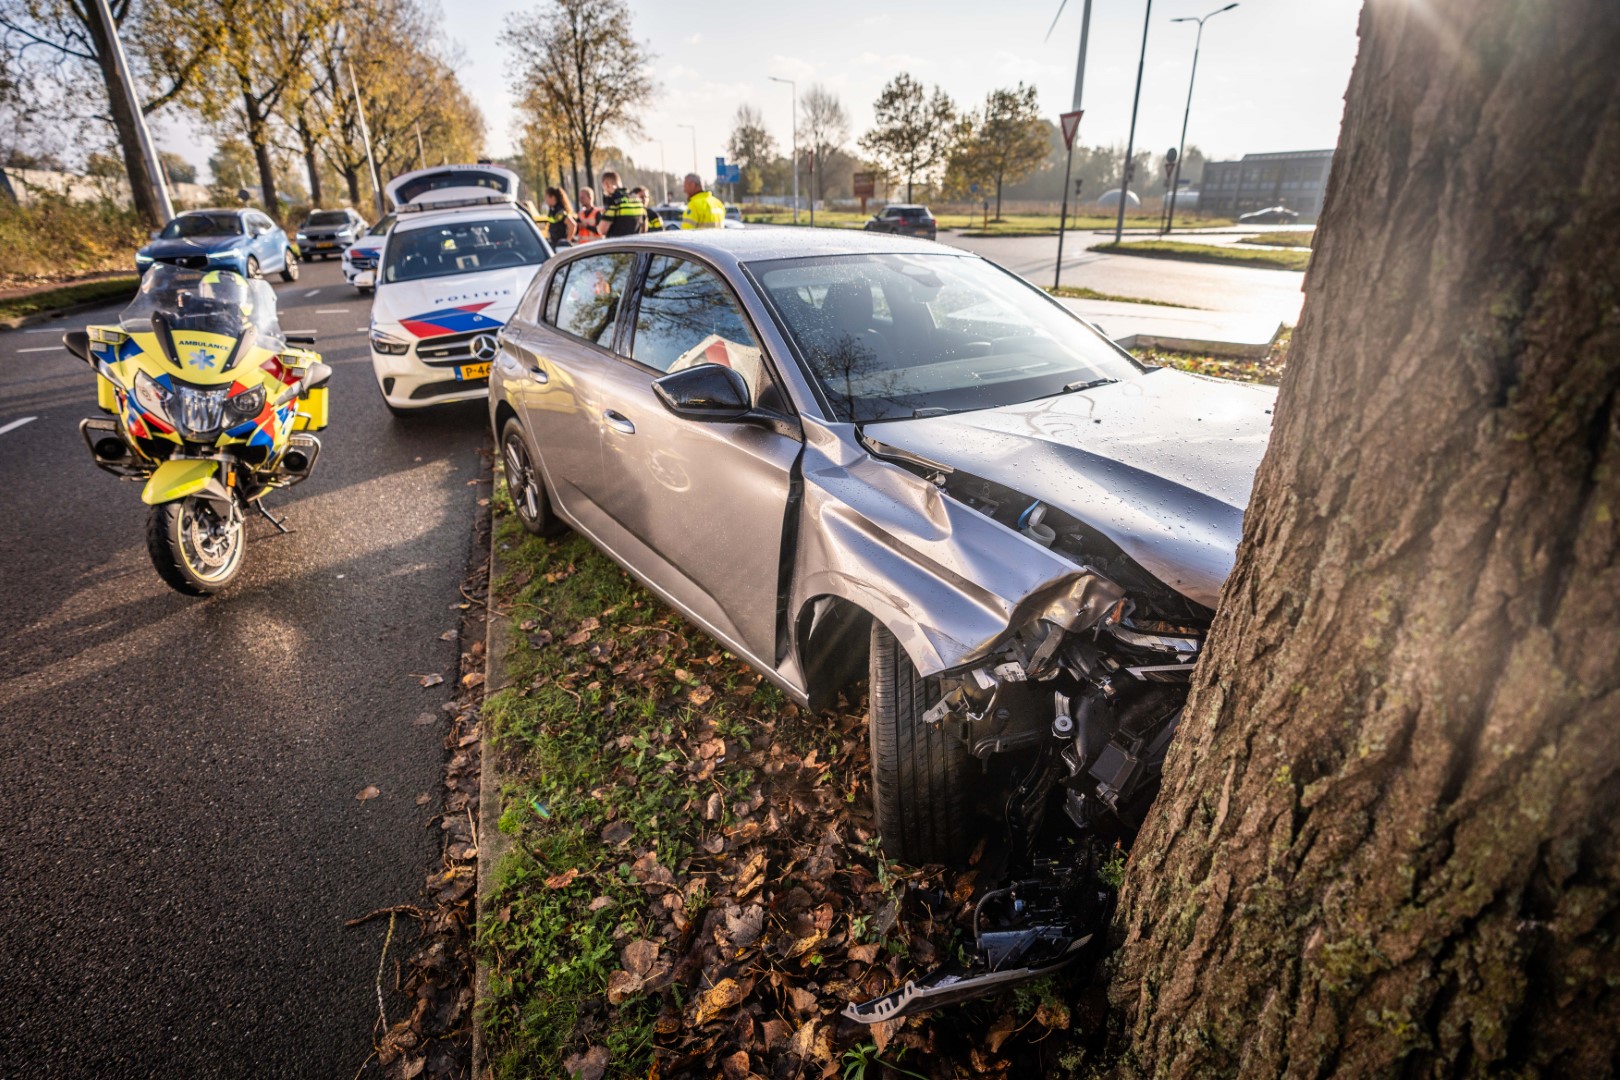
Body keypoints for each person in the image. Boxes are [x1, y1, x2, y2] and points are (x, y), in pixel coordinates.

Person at [596, 170, 647, 238]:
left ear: (607, 184)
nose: (604, 192)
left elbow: (602, 230)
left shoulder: (614, 202)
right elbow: (644, 229)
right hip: (635, 245)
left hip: (618, 246)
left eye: (603, 188)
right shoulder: (637, 201)